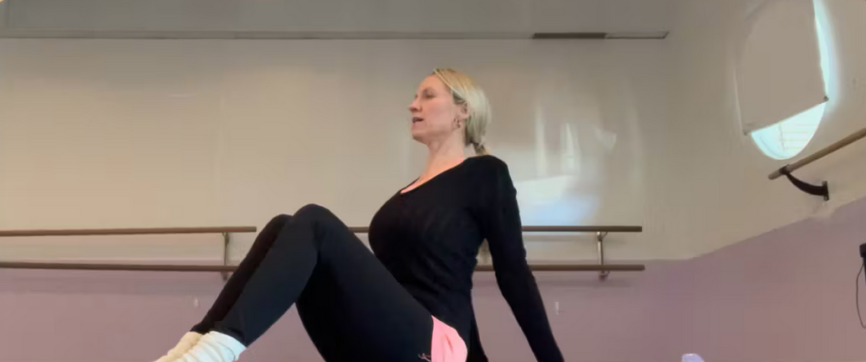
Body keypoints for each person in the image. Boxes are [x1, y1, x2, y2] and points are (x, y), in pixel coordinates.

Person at [152, 68, 564, 362]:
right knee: (283, 226)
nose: (413, 104)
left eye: (427, 95)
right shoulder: (404, 195)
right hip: (386, 336)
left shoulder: (485, 173)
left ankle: (216, 352)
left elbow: (514, 275)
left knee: (313, 220)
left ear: (463, 110)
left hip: (437, 345)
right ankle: (193, 345)